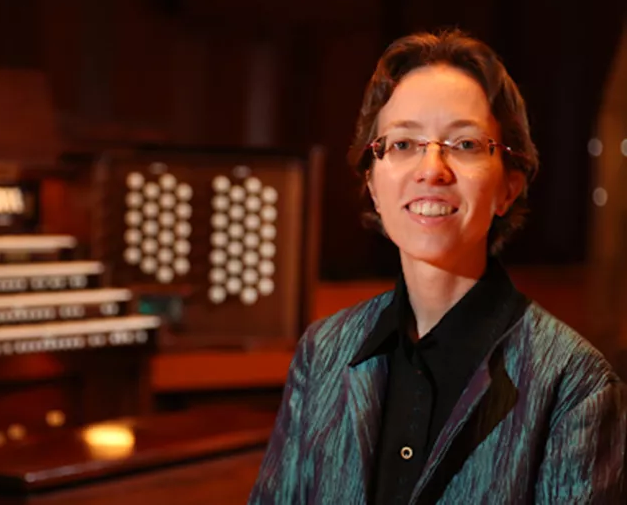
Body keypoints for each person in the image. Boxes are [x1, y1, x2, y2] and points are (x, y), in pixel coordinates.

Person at [248, 29, 626, 504]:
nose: (432, 169)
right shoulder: (322, 353)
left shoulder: (575, 383)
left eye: (465, 145)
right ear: (372, 180)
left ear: (510, 185)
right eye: (404, 144)